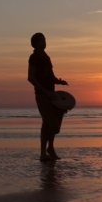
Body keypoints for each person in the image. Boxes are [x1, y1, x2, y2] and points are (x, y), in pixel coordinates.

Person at [27, 33, 69, 162]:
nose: (44, 42)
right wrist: (45, 91)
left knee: (50, 124)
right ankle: (43, 153)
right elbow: (31, 77)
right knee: (51, 123)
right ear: (35, 43)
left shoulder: (46, 57)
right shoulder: (34, 57)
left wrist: (59, 81)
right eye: (41, 40)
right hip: (42, 95)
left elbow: (51, 76)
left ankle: (49, 149)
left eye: (44, 40)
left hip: (52, 94)